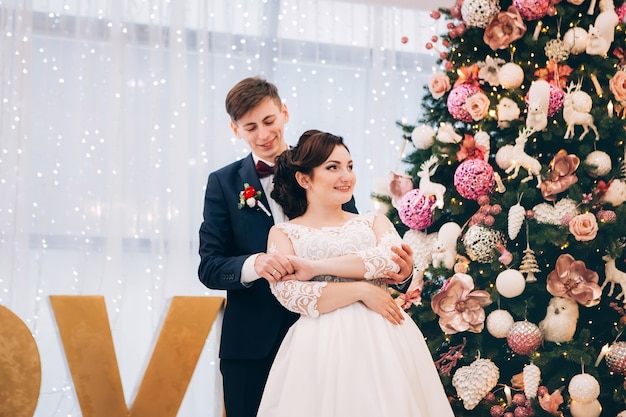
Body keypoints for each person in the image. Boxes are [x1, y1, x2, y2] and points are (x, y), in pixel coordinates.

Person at [197, 77, 415, 417]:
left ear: (284, 113)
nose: (263, 134)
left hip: (332, 339)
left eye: (269, 121)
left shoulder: (325, 167)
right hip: (253, 344)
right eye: (250, 127)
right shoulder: (223, 183)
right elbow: (209, 266)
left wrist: (400, 275)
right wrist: (256, 264)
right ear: (235, 129)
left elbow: (356, 240)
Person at [256, 130, 455, 417]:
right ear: (304, 178)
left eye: (349, 166)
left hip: (385, 338)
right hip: (317, 349)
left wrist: (316, 268)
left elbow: (388, 260)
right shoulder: (283, 232)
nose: (346, 176)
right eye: (332, 167)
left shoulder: (373, 221)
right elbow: (291, 294)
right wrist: (362, 290)